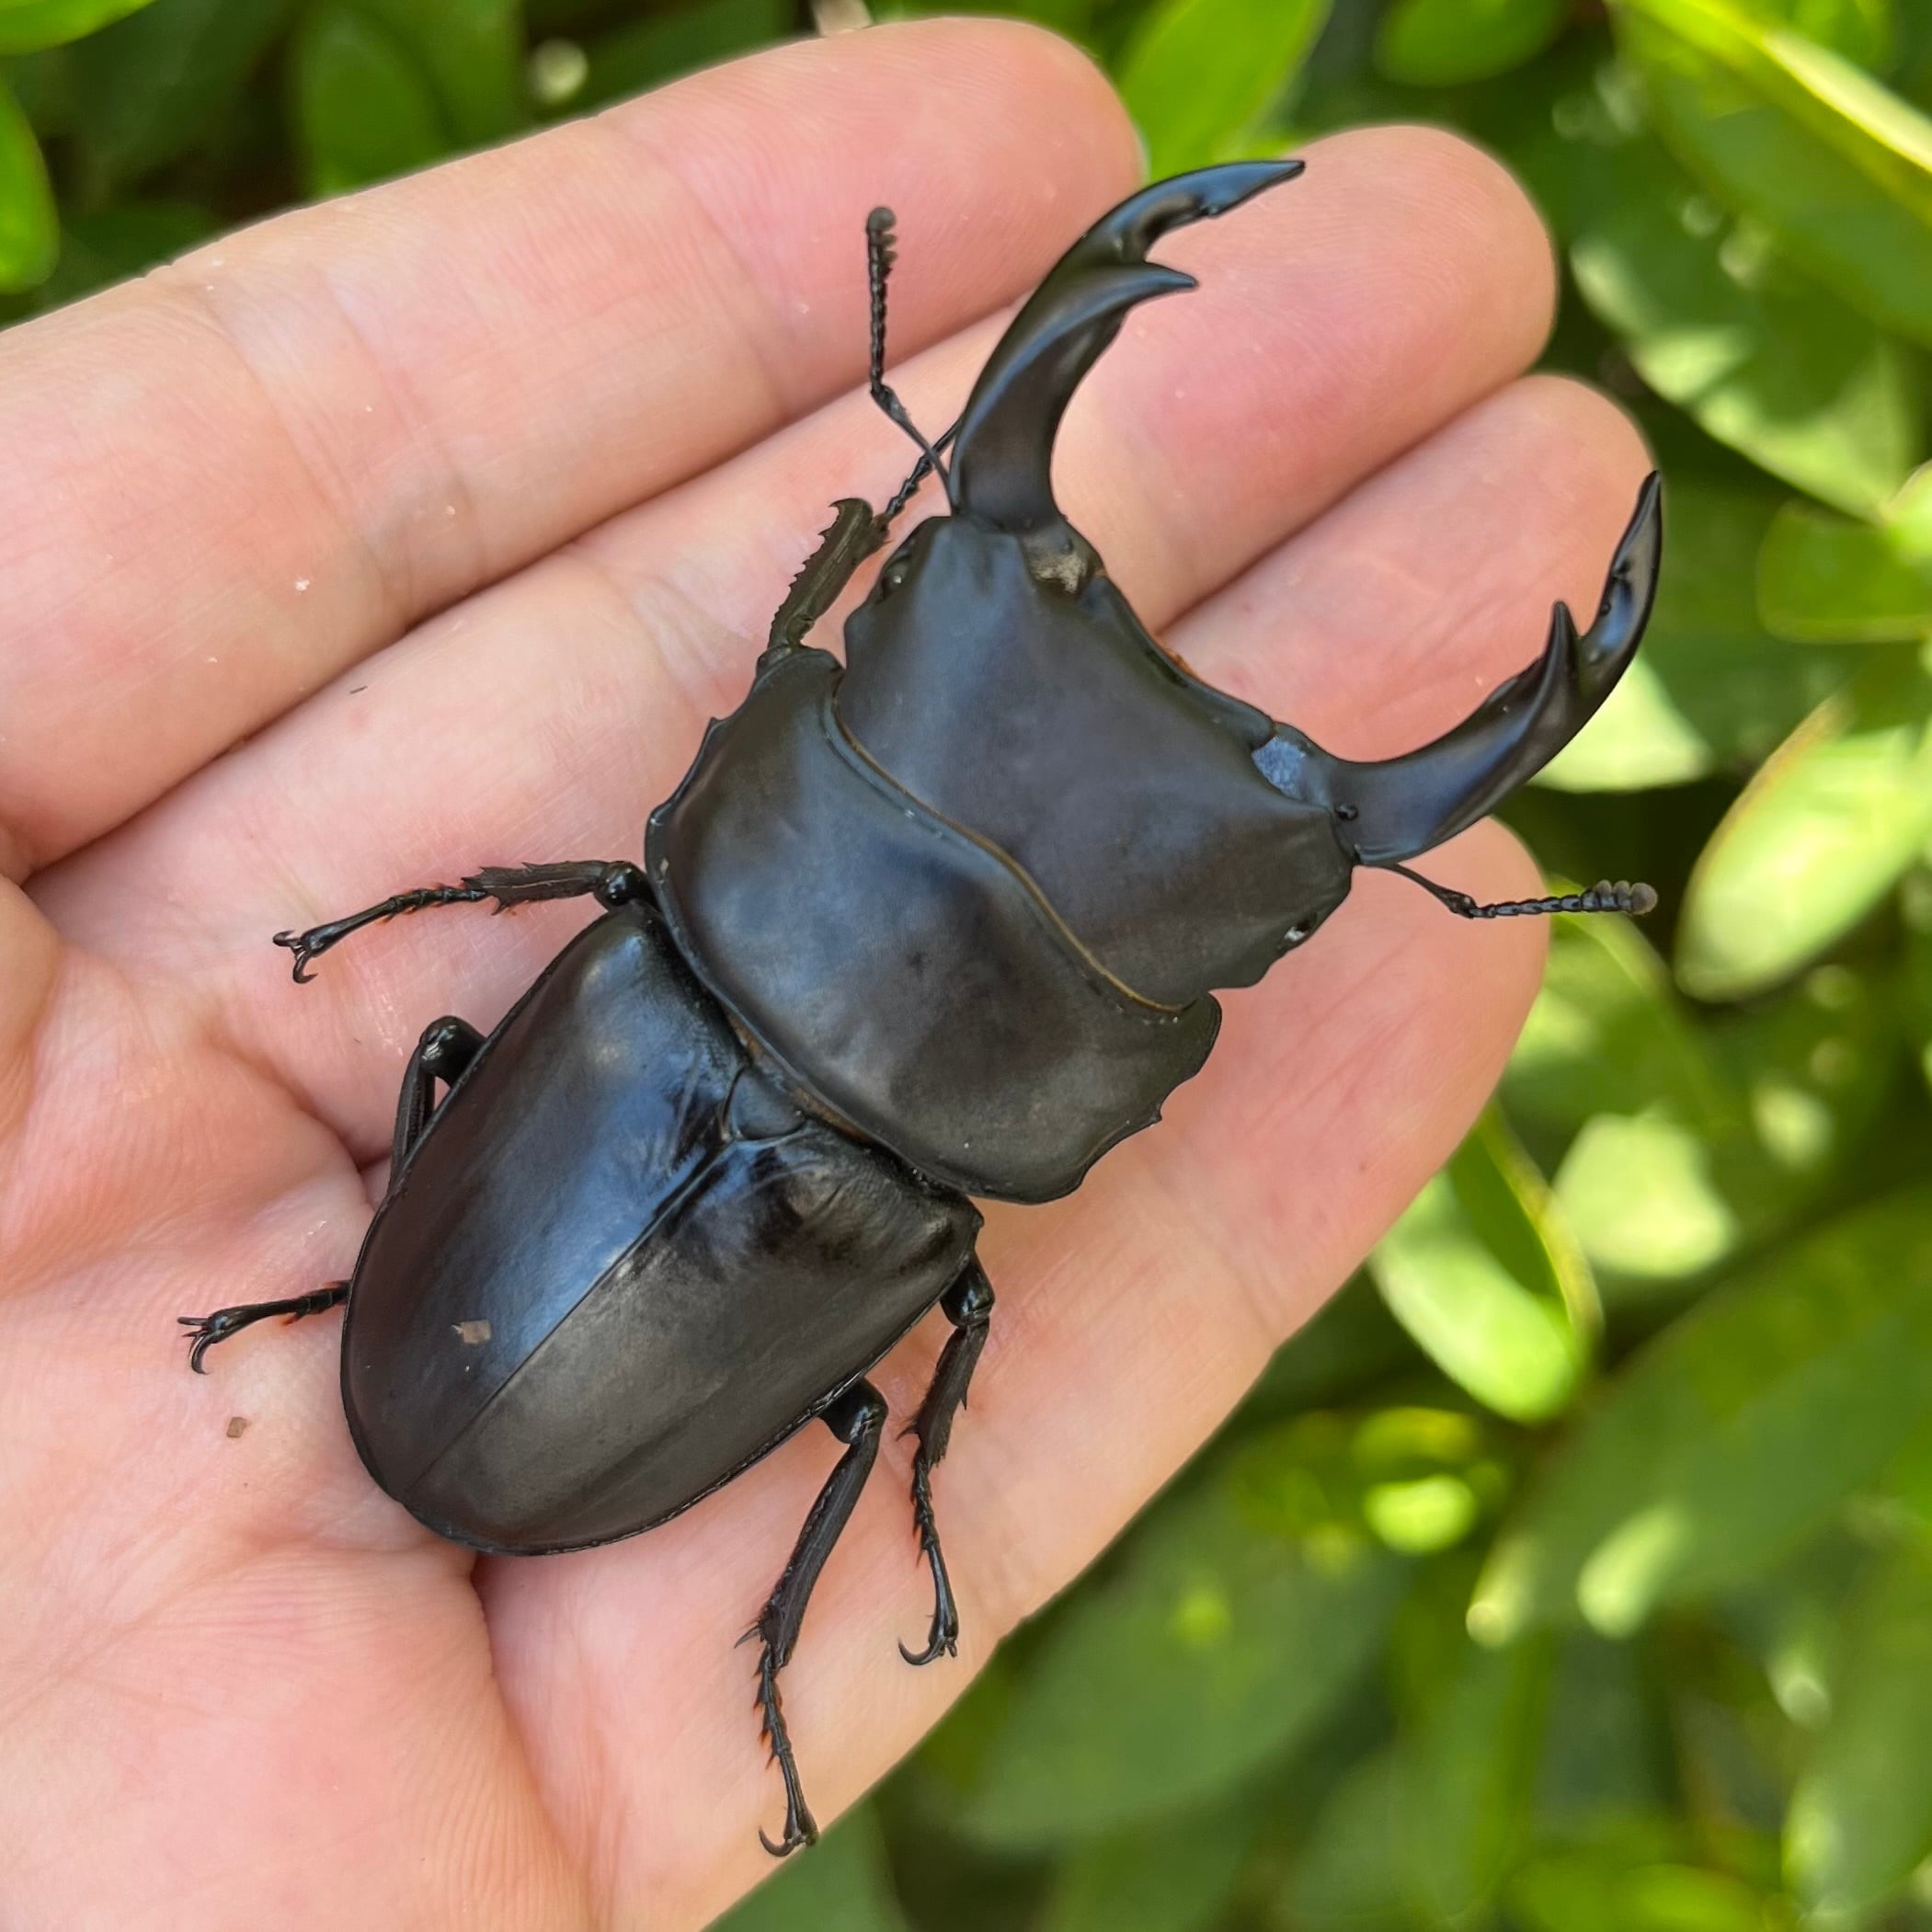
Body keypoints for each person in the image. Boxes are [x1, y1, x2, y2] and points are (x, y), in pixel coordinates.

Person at [0, 17, 1650, 1929]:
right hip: (562, 1314)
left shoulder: (650, 944)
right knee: (886, 1382)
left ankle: (720, 1599)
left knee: (500, 1030)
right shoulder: (862, 1163)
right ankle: (772, 1649)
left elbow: (503, 987)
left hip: (472, 1306)